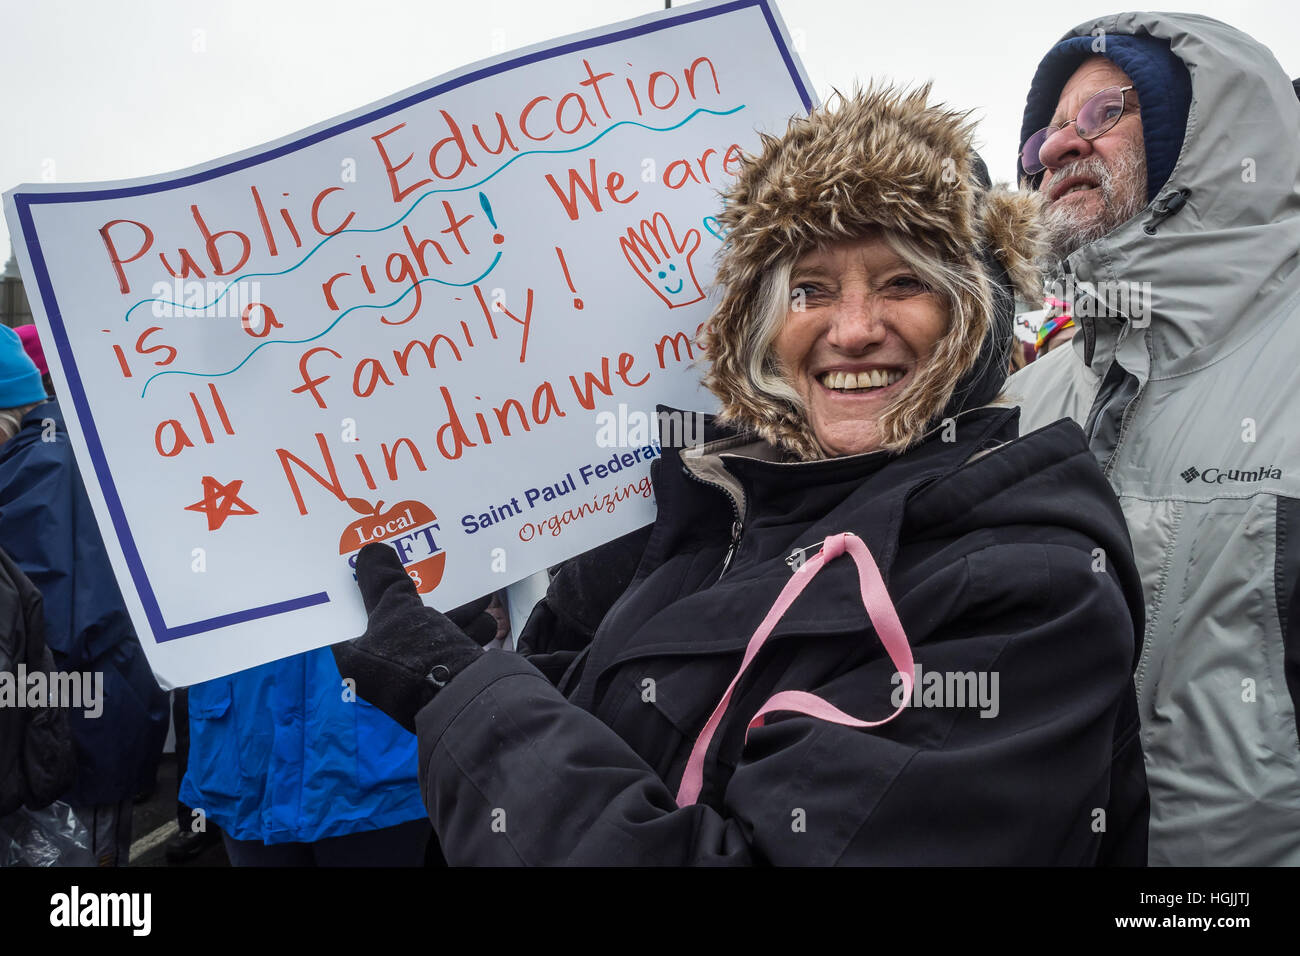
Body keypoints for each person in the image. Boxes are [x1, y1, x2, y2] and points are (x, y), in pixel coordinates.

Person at [333, 85, 1149, 865]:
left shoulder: (1030, 591)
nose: (854, 329)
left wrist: (464, 697)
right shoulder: (740, 503)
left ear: (982, 309)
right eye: (810, 289)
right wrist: (500, 662)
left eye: (904, 281)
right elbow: (650, 738)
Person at [1008, 12, 1300, 865]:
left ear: (1201, 137)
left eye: (1106, 113)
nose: (1060, 148)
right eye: (1048, 132)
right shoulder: (1016, 402)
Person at [0, 324, 169, 866]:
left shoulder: (46, 471)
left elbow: (43, 635)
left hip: (72, 741)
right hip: (71, 729)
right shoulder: (45, 459)